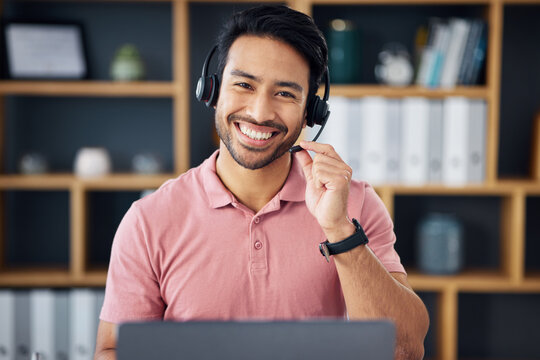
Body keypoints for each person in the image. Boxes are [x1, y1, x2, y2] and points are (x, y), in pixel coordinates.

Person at [94, 5, 429, 360]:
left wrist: (340, 230)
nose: (259, 112)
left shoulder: (354, 205)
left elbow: (403, 350)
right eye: (244, 85)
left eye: (285, 93)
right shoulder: (149, 219)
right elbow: (114, 350)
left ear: (311, 112)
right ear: (212, 90)